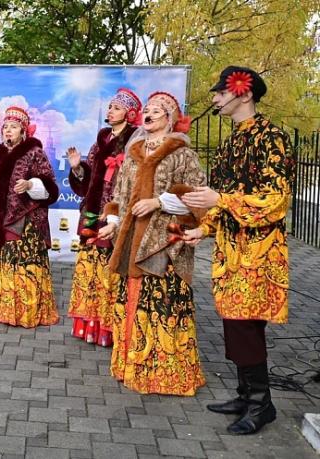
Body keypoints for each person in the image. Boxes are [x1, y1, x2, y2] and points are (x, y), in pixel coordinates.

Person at [181, 66, 295, 434]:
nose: (214, 97)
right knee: (234, 321)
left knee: (246, 324)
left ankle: (262, 404)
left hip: (259, 252)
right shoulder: (231, 141)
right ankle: (247, 394)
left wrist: (221, 199)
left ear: (243, 93)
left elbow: (276, 200)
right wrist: (204, 227)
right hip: (231, 250)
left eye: (220, 92)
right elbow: (221, 199)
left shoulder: (271, 137)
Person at [99, 91, 206, 396]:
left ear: (170, 119)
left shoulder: (182, 153)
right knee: (133, 299)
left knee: (162, 303)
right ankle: (131, 364)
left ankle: (163, 373)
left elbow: (195, 196)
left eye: (156, 111)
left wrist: (158, 202)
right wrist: (113, 223)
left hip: (164, 241)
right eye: (146, 110)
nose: (148, 115)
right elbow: (120, 194)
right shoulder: (134, 153)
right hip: (133, 238)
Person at [66, 88, 141, 346]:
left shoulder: (135, 141)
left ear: (130, 114)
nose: (110, 111)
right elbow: (89, 179)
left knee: (110, 270)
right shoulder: (100, 140)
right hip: (92, 211)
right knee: (89, 269)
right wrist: (78, 167)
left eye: (116, 107)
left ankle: (110, 327)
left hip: (115, 213)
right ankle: (88, 323)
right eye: (109, 107)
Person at [0, 106, 59, 328]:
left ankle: (26, 311)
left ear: (23, 131)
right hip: (0, 219)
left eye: (13, 127)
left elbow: (50, 187)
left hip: (27, 221)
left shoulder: (35, 153)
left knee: (24, 264)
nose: (8, 131)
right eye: (5, 127)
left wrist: (31, 184)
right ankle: (2, 309)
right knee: (2, 262)